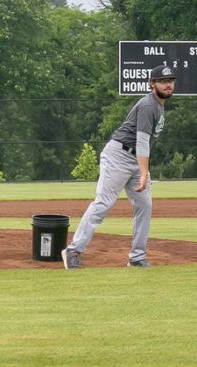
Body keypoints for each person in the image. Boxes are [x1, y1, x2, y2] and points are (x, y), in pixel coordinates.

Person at [63, 63, 176, 270]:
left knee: (144, 207)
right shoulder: (148, 105)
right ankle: (74, 249)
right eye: (163, 81)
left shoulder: (159, 106)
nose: (168, 85)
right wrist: (144, 174)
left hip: (136, 160)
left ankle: (137, 257)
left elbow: (143, 146)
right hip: (118, 156)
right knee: (103, 203)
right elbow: (142, 142)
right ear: (152, 84)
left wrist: (141, 170)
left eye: (170, 81)